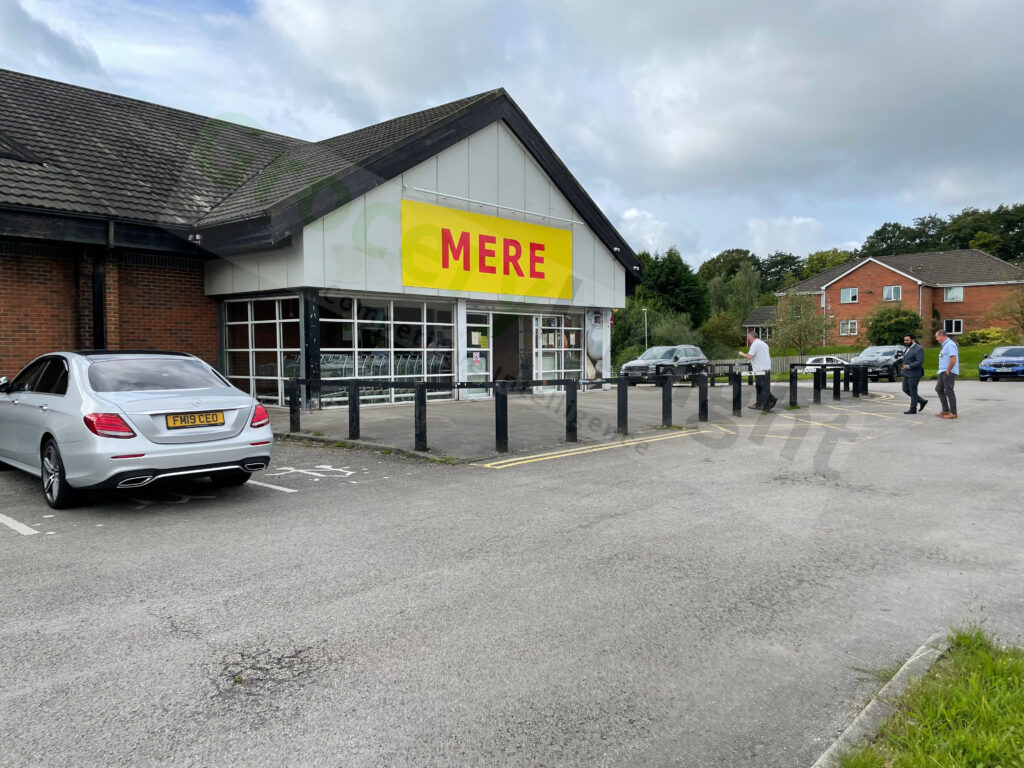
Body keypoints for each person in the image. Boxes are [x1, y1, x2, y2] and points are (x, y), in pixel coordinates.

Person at [740, 331, 775, 411]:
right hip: (766, 368)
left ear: (752, 338)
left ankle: (764, 403)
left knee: (760, 387)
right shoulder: (764, 344)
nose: (748, 341)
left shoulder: (755, 344)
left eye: (748, 339)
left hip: (759, 369)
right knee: (764, 387)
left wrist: (742, 354)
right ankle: (762, 404)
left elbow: (749, 356)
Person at [934, 329, 959, 419]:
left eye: (937, 337)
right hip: (943, 371)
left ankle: (953, 413)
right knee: (939, 389)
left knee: (949, 391)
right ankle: (945, 410)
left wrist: (948, 370)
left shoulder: (950, 345)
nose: (936, 339)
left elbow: (953, 359)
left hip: (948, 371)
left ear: (941, 336)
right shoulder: (945, 345)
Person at [900, 333, 928, 414]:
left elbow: (919, 361)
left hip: (914, 373)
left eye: (907, 340)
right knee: (905, 389)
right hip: (906, 373)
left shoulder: (918, 349)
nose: (906, 342)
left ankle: (913, 409)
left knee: (913, 391)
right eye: (905, 340)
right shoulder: (908, 348)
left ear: (913, 340)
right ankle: (922, 401)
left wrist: (908, 366)